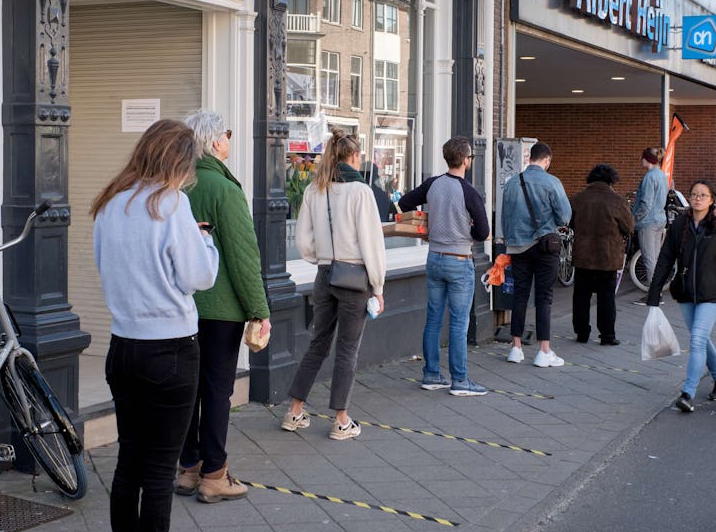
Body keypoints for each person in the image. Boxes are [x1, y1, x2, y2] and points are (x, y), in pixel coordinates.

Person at [91, 119, 218, 532]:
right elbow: (198, 277)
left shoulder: (110, 203)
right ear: (180, 162)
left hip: (123, 346)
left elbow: (107, 268)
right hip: (171, 350)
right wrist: (205, 241)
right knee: (161, 471)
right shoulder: (172, 204)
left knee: (129, 465)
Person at [175, 110, 270, 504]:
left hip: (182, 307)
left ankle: (188, 468)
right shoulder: (223, 190)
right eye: (227, 133)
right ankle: (215, 474)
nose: (229, 139)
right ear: (215, 142)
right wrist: (259, 310)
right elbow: (243, 257)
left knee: (188, 391)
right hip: (220, 308)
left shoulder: (178, 184)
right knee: (217, 391)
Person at [280, 129, 386, 440]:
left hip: (324, 275)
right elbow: (372, 243)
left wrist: (321, 258)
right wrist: (378, 287)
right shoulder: (360, 191)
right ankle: (341, 420)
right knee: (347, 349)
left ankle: (295, 411)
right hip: (354, 277)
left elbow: (303, 241)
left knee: (318, 344)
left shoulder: (315, 189)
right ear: (353, 156)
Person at [397, 136, 490, 395]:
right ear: (464, 160)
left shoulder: (432, 184)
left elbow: (405, 203)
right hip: (459, 261)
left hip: (434, 258)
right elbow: (483, 232)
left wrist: (429, 227)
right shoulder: (470, 192)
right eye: (470, 157)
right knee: (459, 323)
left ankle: (431, 375)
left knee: (434, 319)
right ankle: (460, 380)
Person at [647, 180, 716, 413]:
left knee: (698, 339)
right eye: (694, 194)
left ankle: (687, 393)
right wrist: (654, 290)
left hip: (711, 294)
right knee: (701, 338)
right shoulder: (680, 225)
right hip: (686, 292)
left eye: (703, 195)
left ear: (711, 200)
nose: (698, 198)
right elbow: (665, 258)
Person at [500, 141, 572, 367]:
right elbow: (565, 217)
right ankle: (544, 351)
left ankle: (516, 347)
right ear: (547, 160)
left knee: (520, 295)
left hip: (518, 247)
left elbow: (504, 219)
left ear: (529, 158)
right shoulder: (552, 182)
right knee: (544, 297)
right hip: (544, 247)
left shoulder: (511, 183)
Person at [569, 164, 634, 345]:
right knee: (606, 297)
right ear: (611, 180)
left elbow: (569, 222)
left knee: (581, 296)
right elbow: (629, 227)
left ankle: (582, 333)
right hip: (608, 257)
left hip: (583, 256)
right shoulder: (618, 201)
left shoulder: (578, 199)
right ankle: (607, 335)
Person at [631, 146, 668, 304]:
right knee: (656, 258)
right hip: (659, 219)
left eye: (642, 157)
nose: (640, 160)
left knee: (649, 259)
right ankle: (657, 292)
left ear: (647, 159)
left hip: (648, 222)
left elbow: (645, 204)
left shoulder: (649, 177)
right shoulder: (661, 175)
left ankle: (654, 295)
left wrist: (634, 219)